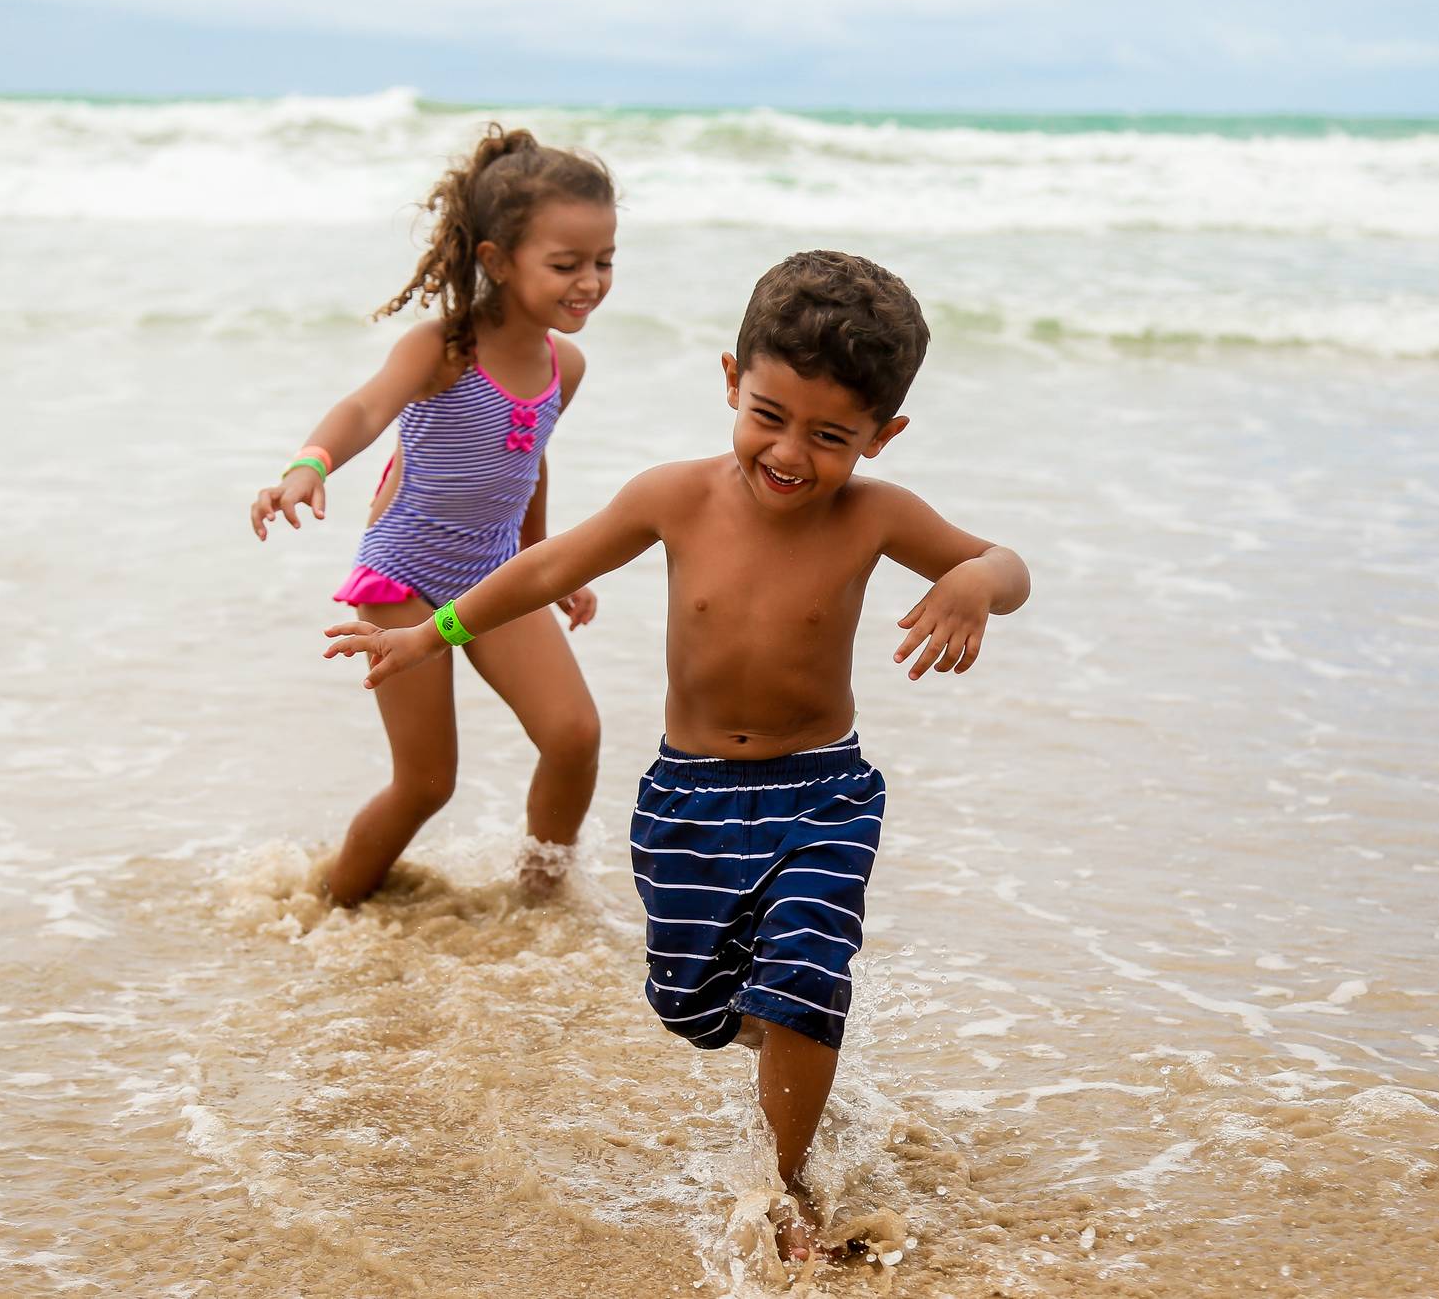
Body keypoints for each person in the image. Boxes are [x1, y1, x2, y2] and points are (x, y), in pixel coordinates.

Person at [322, 250, 1031, 1261]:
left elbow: (1007, 566)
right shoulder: (674, 497)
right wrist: (429, 634)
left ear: (882, 435)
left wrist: (974, 582)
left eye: (830, 437)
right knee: (690, 1007)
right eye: (768, 416)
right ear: (730, 381)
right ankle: (790, 1040)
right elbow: (546, 565)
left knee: (805, 966)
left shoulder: (877, 515)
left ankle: (784, 1190)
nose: (790, 453)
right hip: (687, 797)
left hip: (821, 789)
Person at [251, 124, 616, 905]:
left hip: (497, 574)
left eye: (604, 261)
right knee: (425, 783)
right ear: (496, 260)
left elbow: (527, 461)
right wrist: (308, 465)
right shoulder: (444, 349)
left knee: (573, 734)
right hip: (405, 578)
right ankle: (332, 909)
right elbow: (364, 407)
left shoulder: (565, 365)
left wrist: (545, 563)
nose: (589, 281)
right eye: (566, 265)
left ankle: (539, 902)